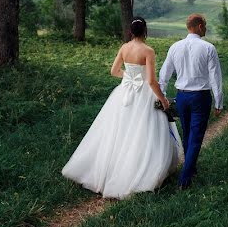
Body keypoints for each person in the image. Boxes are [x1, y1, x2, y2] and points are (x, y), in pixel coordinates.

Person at [61, 17, 184, 199]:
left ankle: (107, 171)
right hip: (142, 95)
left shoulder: (124, 48)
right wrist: (163, 99)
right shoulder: (148, 51)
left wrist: (128, 77)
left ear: (130, 32)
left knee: (117, 132)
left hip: (124, 93)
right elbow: (150, 80)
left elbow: (114, 71)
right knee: (142, 133)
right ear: (145, 31)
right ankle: (139, 171)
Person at [158, 13, 224, 190]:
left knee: (188, 133)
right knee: (195, 137)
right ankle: (184, 179)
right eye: (206, 25)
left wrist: (162, 94)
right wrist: (219, 103)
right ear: (200, 26)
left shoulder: (175, 47)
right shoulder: (209, 48)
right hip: (200, 97)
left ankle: (191, 168)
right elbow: (215, 78)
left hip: (181, 97)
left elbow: (164, 73)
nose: (206, 29)